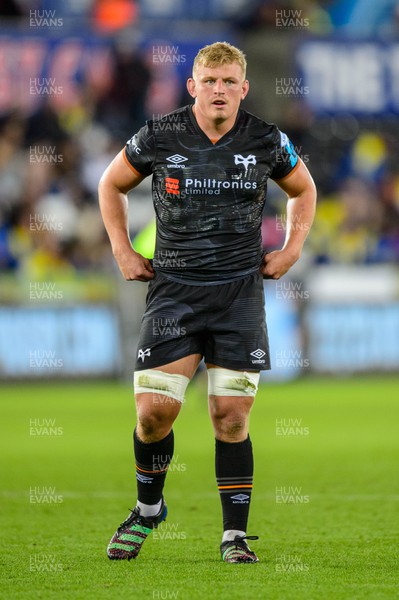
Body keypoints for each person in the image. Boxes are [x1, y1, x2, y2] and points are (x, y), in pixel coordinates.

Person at [98, 41, 316, 563]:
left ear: (244, 88)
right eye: (209, 81)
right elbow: (112, 185)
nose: (219, 90)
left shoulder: (265, 139)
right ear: (192, 86)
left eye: (229, 82)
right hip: (173, 293)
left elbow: (303, 191)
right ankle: (148, 511)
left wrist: (292, 248)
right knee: (153, 414)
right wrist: (123, 250)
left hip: (239, 294)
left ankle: (234, 537)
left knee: (230, 416)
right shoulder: (159, 135)